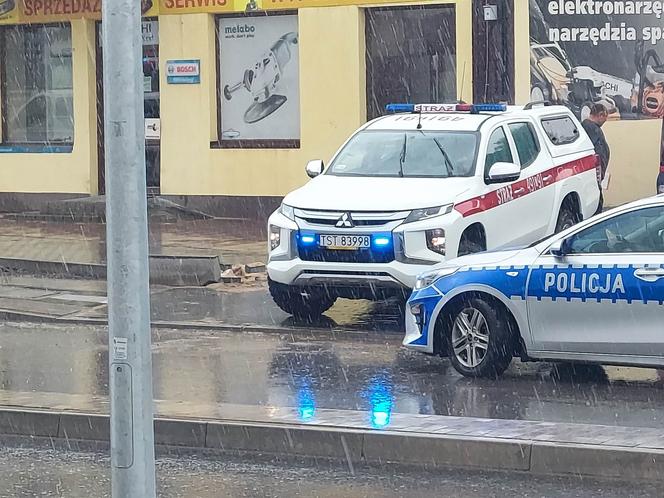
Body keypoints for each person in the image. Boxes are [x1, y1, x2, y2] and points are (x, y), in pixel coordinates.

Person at [582, 103, 610, 214]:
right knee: (597, 203)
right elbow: (595, 153)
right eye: (605, 119)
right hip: (593, 176)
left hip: (596, 175)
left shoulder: (591, 127)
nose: (604, 122)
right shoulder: (590, 128)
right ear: (600, 115)